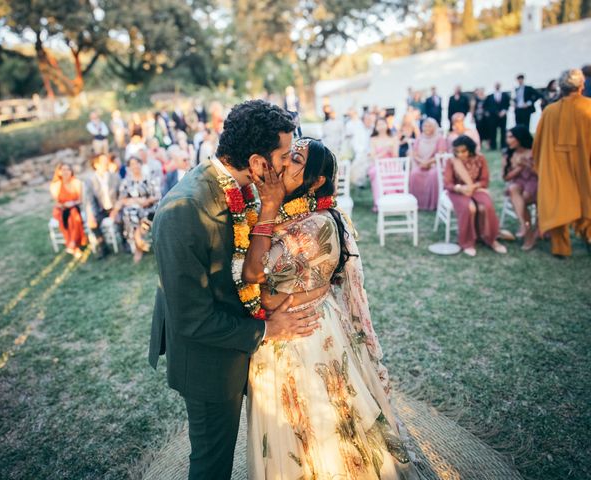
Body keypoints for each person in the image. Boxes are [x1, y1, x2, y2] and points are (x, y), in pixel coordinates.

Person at [149, 100, 321, 480]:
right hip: (208, 362)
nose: (287, 163)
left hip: (235, 347)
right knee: (212, 463)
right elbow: (191, 318)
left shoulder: (242, 186)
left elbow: (243, 265)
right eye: (282, 156)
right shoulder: (183, 210)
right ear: (258, 162)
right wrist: (266, 330)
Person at [245, 137, 420, 479]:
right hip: (285, 332)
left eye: (295, 159)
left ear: (316, 180)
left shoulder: (316, 224)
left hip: (305, 337)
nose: (284, 165)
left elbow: (253, 275)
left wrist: (282, 296)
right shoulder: (285, 211)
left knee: (323, 429)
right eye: (286, 156)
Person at [533, 68, 591, 257]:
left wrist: (542, 165)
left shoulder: (549, 111)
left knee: (558, 200)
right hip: (584, 165)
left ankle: (561, 248)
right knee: (586, 198)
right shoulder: (589, 107)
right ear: (581, 86)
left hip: (556, 167)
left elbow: (538, 143)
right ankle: (589, 237)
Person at [444, 135, 507, 257]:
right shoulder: (451, 161)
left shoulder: (480, 159)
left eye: (463, 151)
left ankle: (490, 238)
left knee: (486, 206)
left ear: (470, 149)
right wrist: (460, 188)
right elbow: (448, 184)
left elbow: (485, 181)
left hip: (476, 189)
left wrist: (473, 186)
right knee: (470, 208)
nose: (460, 154)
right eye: (457, 151)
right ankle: (467, 242)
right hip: (457, 191)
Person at [112, 156, 160, 263]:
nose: (135, 166)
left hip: (149, 208)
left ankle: (138, 244)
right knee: (130, 212)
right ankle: (139, 242)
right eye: (132, 164)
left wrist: (146, 201)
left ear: (141, 164)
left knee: (141, 214)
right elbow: (122, 199)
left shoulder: (149, 178)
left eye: (136, 163)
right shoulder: (126, 182)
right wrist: (138, 200)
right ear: (128, 167)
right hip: (134, 210)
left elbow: (157, 195)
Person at [501, 126, 537, 248]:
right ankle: (527, 229)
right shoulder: (508, 154)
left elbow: (542, 174)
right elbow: (506, 178)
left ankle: (527, 228)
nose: (508, 140)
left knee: (524, 197)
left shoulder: (533, 151)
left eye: (511, 137)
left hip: (534, 183)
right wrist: (519, 168)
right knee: (513, 189)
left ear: (520, 138)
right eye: (507, 137)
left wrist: (529, 165)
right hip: (518, 182)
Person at [84, 154, 120, 259]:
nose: (106, 163)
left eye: (107, 161)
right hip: (101, 209)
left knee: (121, 218)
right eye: (103, 161)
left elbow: (121, 194)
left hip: (115, 207)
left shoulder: (115, 176)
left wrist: (116, 209)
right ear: (96, 165)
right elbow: (89, 200)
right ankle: (103, 246)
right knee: (93, 223)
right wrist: (90, 215)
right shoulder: (90, 181)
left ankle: (125, 241)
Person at [50, 163, 88, 258]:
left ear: (71, 171)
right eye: (63, 170)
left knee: (73, 215)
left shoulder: (76, 182)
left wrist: (72, 203)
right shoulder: (56, 185)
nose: (66, 172)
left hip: (74, 207)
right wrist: (63, 205)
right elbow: (56, 202)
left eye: (68, 169)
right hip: (61, 209)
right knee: (65, 217)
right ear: (59, 172)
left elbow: (80, 200)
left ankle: (72, 243)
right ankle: (73, 245)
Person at [409, 118, 446, 210]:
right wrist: (422, 162)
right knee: (414, 174)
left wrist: (428, 162)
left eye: (430, 126)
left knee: (433, 174)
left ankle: (432, 204)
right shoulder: (419, 138)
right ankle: (416, 203)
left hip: (434, 164)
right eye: (425, 126)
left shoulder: (439, 138)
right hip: (420, 164)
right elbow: (414, 154)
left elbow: (440, 154)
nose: (427, 128)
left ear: (434, 127)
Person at [368, 117, 399, 211]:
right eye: (378, 124)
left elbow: (395, 156)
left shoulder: (393, 138)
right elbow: (373, 157)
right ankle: (379, 202)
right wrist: (385, 150)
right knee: (376, 171)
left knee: (390, 171)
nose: (381, 126)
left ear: (386, 125)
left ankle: (392, 203)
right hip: (377, 164)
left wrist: (392, 148)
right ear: (376, 127)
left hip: (390, 164)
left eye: (383, 124)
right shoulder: (373, 139)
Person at [346, 109, 371, 187]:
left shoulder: (373, 129)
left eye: (370, 119)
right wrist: (364, 152)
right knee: (359, 162)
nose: (369, 121)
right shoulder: (359, 129)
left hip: (371, 153)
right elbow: (356, 144)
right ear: (363, 120)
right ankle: (358, 183)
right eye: (367, 119)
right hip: (361, 152)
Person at [484, 82, 510, 150]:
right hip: (493, 117)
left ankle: (503, 145)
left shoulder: (505, 95)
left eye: (498, 85)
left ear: (500, 86)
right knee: (493, 131)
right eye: (496, 85)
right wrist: (493, 112)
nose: (497, 86)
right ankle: (493, 146)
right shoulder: (490, 96)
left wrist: (504, 111)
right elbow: (486, 106)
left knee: (503, 131)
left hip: (503, 116)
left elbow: (508, 104)